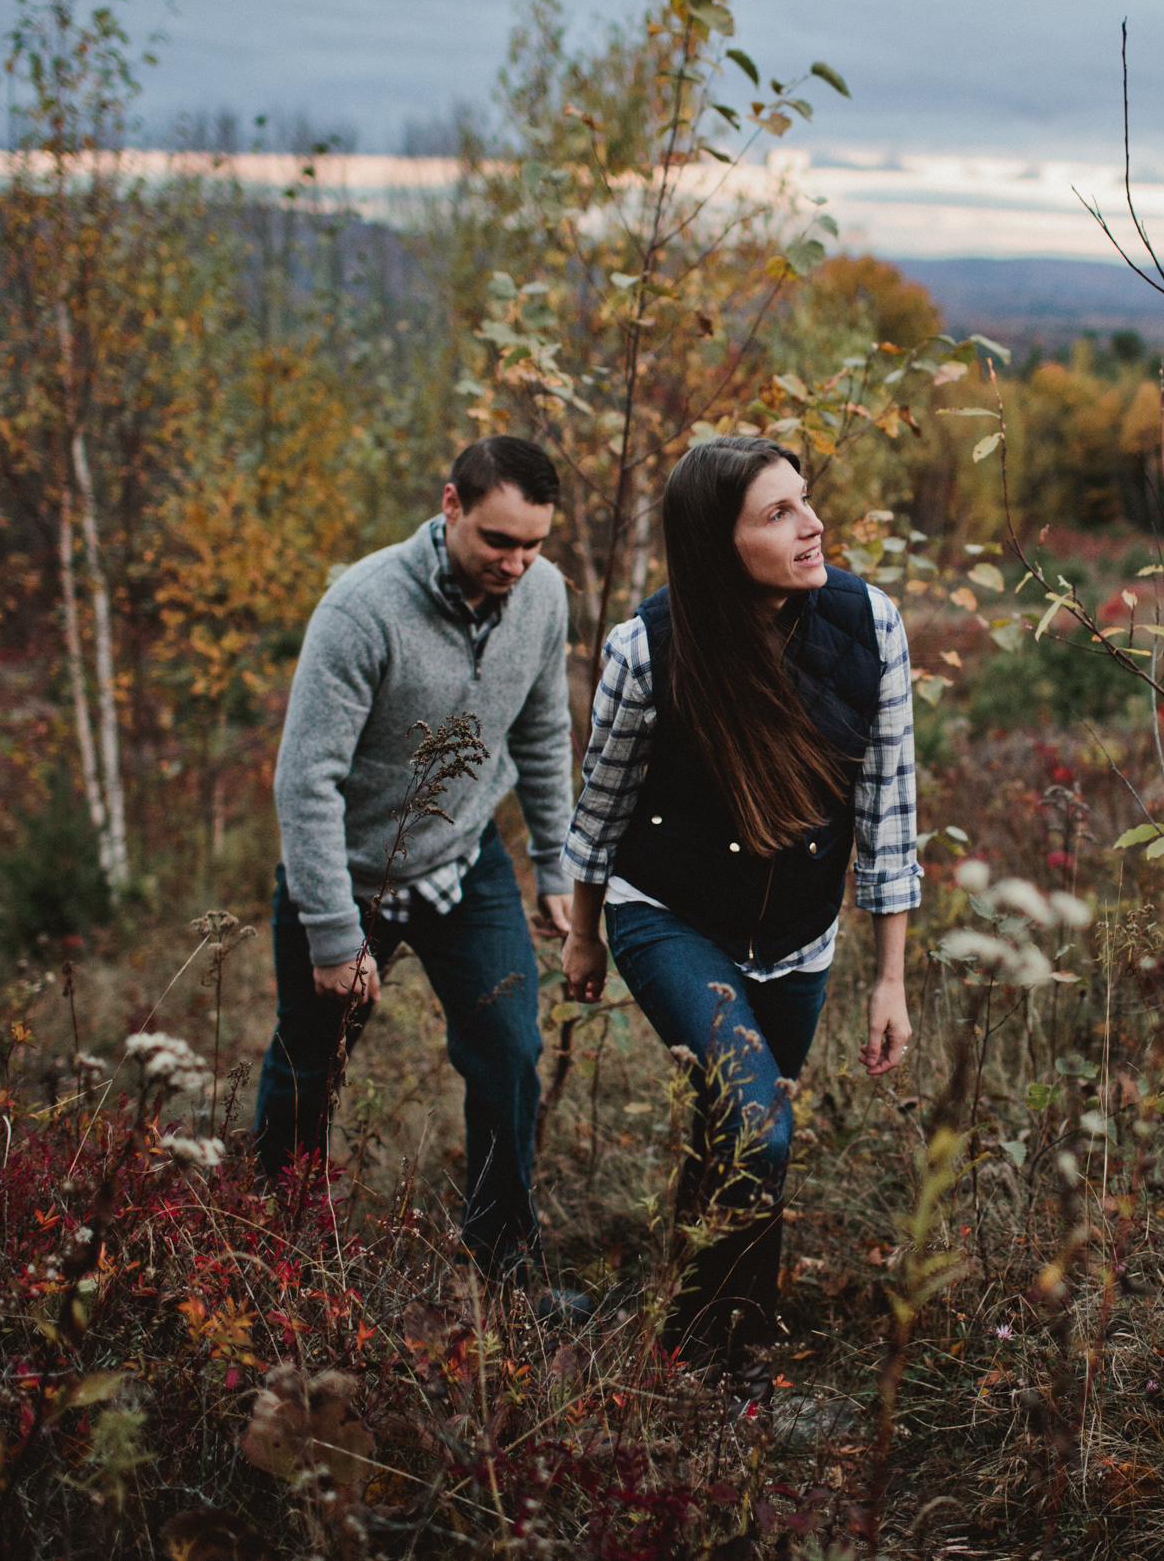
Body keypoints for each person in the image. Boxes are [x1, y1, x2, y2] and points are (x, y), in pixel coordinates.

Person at [560, 436, 919, 1399]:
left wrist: (888, 977)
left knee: (734, 1133)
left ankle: (682, 1342)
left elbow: (888, 814)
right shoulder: (649, 648)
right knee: (758, 1126)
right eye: (777, 514)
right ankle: (741, 1370)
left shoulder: (870, 625)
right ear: (719, 545)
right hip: (668, 915)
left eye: (806, 501)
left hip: (800, 939)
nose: (812, 527)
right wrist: (587, 930)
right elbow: (600, 806)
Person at [257, 435, 575, 1282]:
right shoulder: (362, 609)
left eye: (534, 543)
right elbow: (306, 778)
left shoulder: (545, 597)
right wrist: (331, 931)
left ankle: (503, 1257)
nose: (517, 562)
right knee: (309, 1063)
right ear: (450, 507)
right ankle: (270, 1244)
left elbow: (543, 730)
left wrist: (556, 862)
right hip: (347, 876)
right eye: (498, 540)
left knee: (509, 1050)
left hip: (462, 866)